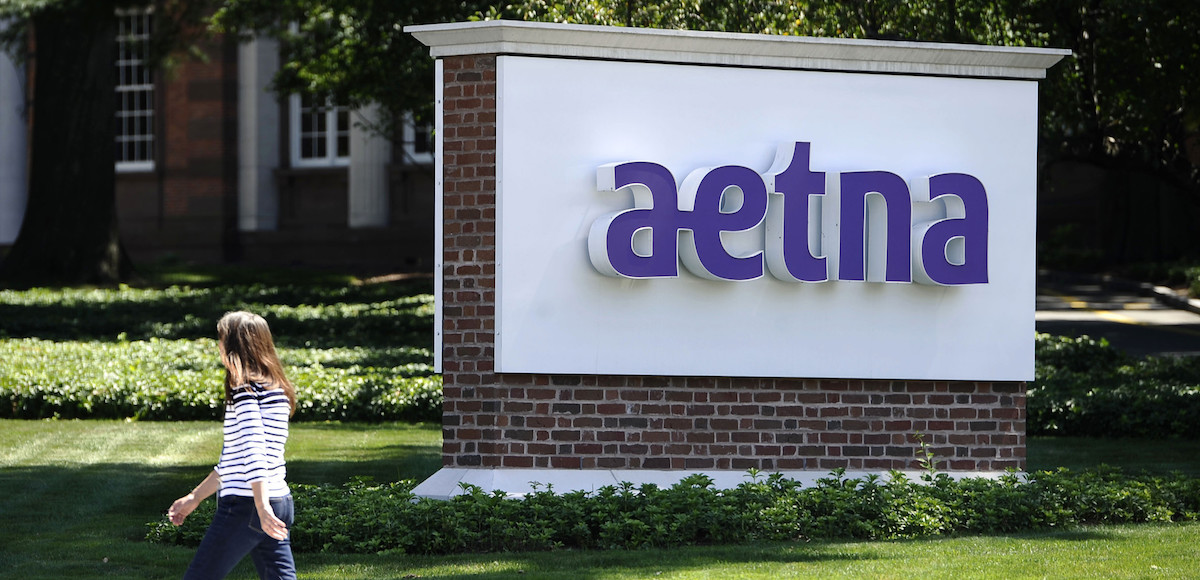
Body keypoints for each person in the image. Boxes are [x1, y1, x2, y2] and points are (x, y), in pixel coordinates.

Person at [167, 311, 298, 580]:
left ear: (236, 346)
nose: (218, 345)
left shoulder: (245, 390)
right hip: (279, 500)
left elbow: (253, 449)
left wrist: (261, 509)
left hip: (247, 505)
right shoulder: (277, 389)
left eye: (222, 338)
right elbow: (234, 459)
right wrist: (195, 498)